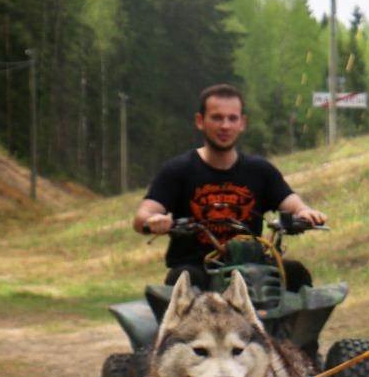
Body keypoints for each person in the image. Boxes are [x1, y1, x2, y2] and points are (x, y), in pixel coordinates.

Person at [132, 84, 327, 290]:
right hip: (200, 270)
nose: (225, 126)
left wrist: (306, 213)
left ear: (242, 123)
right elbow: (141, 217)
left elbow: (293, 205)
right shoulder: (178, 170)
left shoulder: (260, 170)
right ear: (200, 121)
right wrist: (154, 221)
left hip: (252, 268)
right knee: (183, 279)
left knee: (295, 273)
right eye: (217, 118)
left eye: (232, 118)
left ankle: (287, 324)